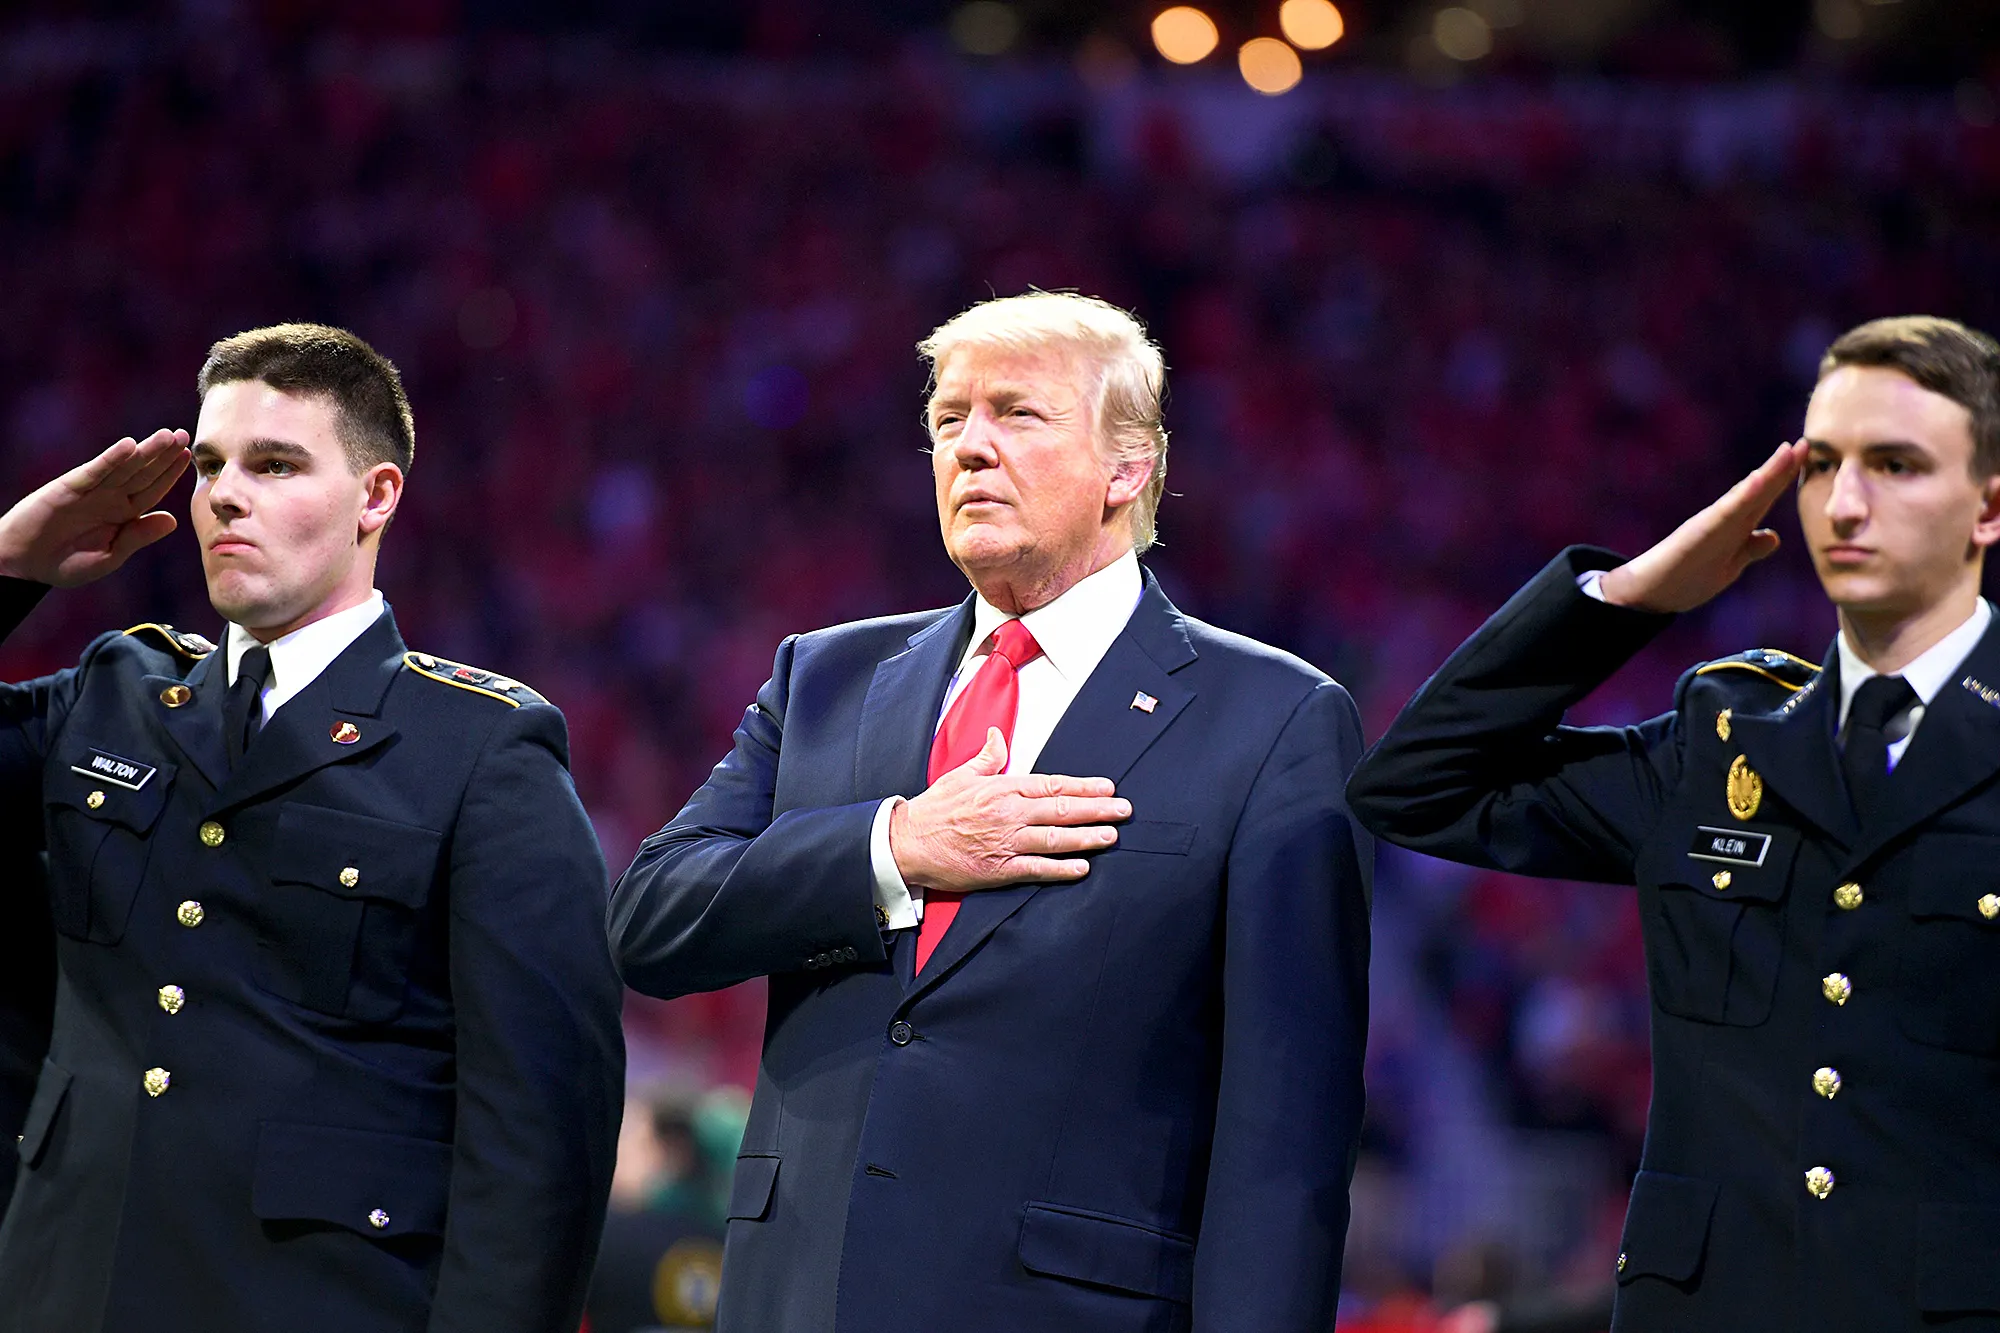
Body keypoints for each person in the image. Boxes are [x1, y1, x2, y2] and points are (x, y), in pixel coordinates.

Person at [611, 292, 1373, 1333]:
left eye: (1016, 414)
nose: (968, 447)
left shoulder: (1272, 719)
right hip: (800, 1297)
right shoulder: (824, 677)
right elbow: (652, 918)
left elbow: (1286, 1129)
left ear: (1128, 466)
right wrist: (892, 846)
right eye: (947, 420)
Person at [1347, 315, 2000, 1331]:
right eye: (1821, 465)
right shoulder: (1721, 741)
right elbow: (1413, 786)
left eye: (1896, 464)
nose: (1847, 501)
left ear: (1984, 507)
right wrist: (1619, 596)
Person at [0, 324, 625, 1332]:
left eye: (275, 463)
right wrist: (9, 563)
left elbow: (541, 1139)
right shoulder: (113, 695)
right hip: (67, 1290)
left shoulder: (481, 750)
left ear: (376, 496)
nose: (224, 495)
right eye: (208, 465)